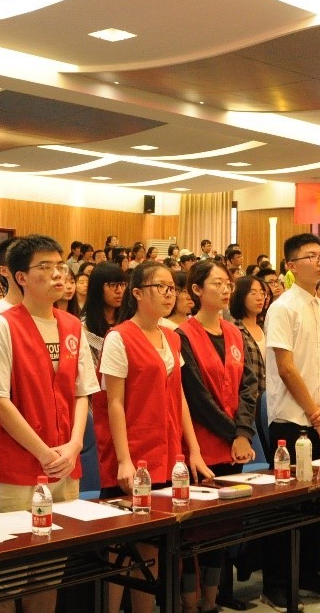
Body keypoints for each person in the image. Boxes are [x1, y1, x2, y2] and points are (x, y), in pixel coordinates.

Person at [0, 236, 99, 613]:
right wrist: (43, 453)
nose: (58, 274)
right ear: (21, 277)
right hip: (17, 466)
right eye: (45, 267)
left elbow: (82, 393)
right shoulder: (1, 325)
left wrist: (74, 445)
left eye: (60, 266)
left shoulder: (72, 325)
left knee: (50, 570)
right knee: (8, 574)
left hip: (65, 463)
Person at [97, 260, 212, 613]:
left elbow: (180, 398)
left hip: (167, 454)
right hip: (133, 455)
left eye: (172, 288)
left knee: (152, 550)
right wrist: (124, 460)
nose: (169, 294)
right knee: (120, 552)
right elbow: (114, 403)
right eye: (160, 287)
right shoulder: (119, 337)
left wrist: (193, 450)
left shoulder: (172, 337)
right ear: (136, 293)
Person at [261, 234, 320, 608]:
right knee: (288, 506)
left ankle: (311, 574)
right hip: (291, 423)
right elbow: (286, 367)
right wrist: (315, 412)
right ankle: (276, 583)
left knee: (318, 503)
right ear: (291, 266)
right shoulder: (282, 308)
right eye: (312, 256)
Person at [177, 260, 258, 613]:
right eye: (217, 283)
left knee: (222, 531)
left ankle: (210, 602)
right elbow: (196, 397)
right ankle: (189, 603)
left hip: (234, 447)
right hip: (200, 447)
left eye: (228, 283)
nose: (226, 289)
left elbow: (249, 386)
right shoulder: (183, 335)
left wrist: (243, 434)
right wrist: (235, 434)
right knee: (194, 535)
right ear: (196, 290)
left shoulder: (235, 332)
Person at [81, 262, 128, 365]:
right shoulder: (83, 327)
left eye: (122, 284)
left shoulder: (128, 321)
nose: (119, 290)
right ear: (97, 288)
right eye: (113, 285)